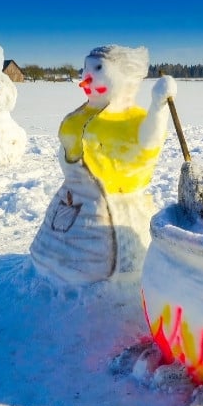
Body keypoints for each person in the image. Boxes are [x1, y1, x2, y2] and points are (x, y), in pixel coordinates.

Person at [30, 45, 176, 284]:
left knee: (110, 263)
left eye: (98, 68)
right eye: (85, 68)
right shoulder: (79, 115)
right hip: (72, 198)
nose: (87, 76)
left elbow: (149, 144)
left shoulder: (134, 120)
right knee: (59, 256)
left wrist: (158, 108)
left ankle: (113, 284)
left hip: (116, 209)